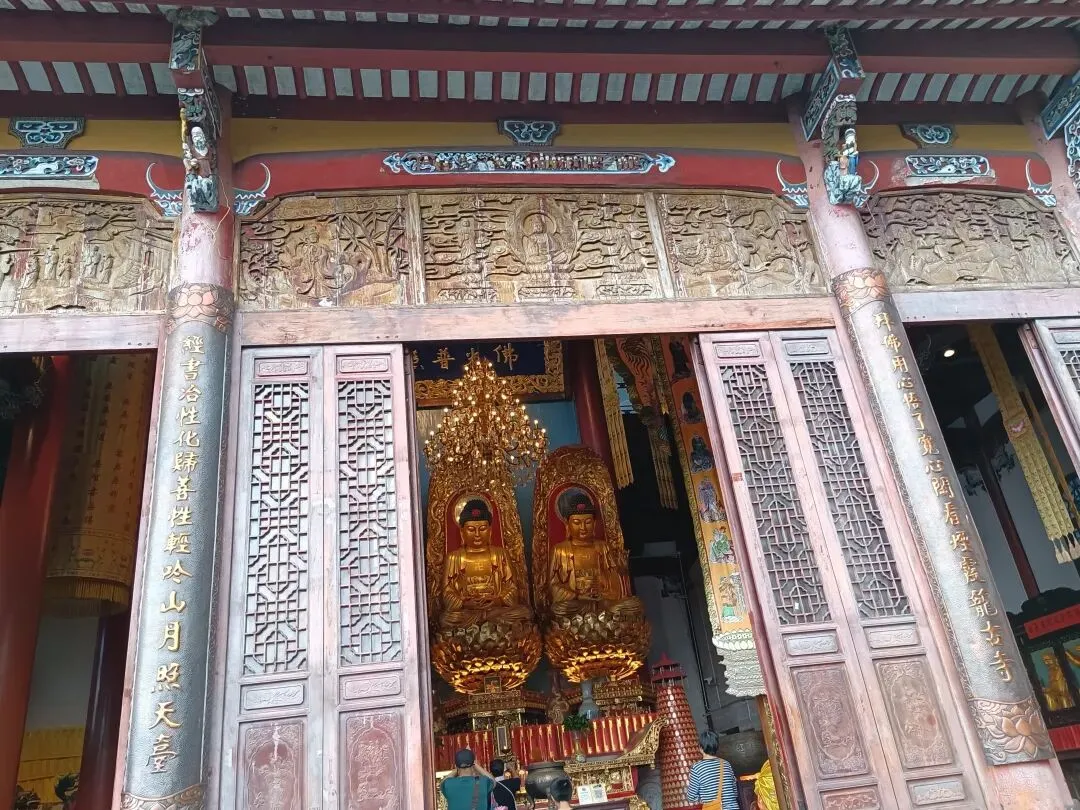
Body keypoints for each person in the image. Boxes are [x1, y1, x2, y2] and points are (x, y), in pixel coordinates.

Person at [685, 730, 739, 810]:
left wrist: (704, 797)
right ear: (716, 746)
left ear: (700, 748)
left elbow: (691, 797)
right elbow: (735, 791)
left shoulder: (697, 768)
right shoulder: (726, 764)